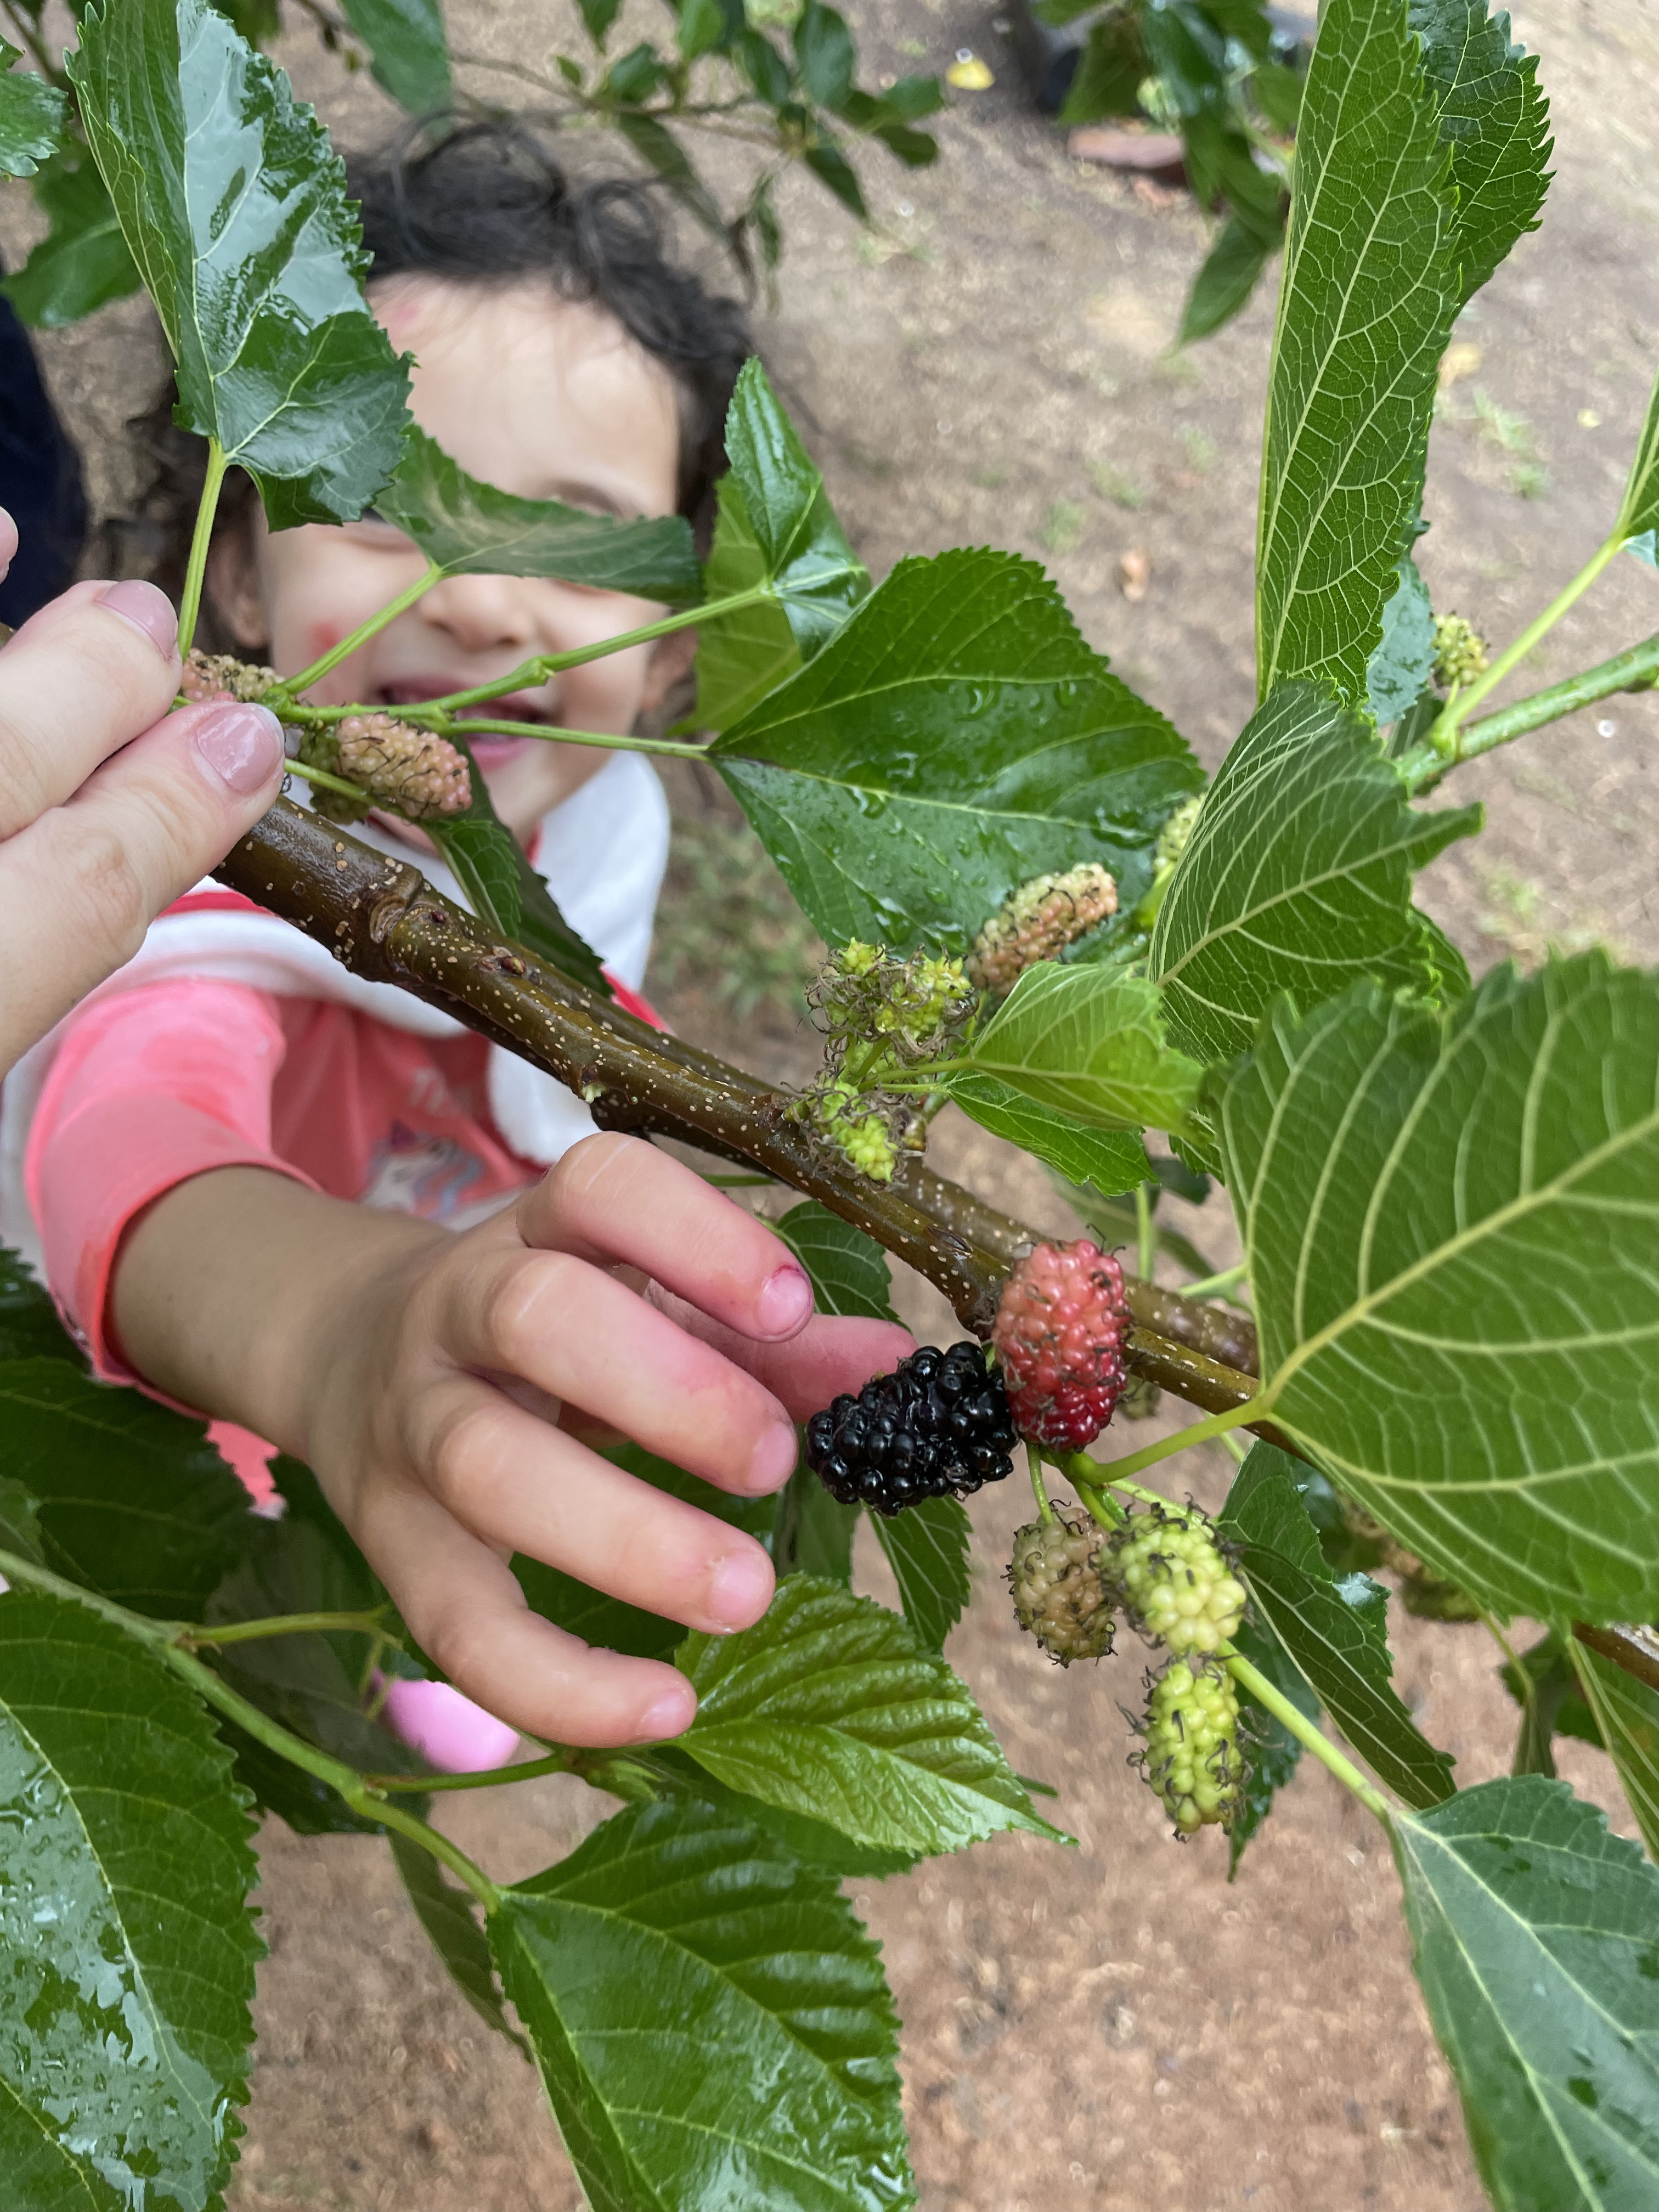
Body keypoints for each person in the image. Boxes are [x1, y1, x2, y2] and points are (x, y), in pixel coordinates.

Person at [4, 124, 911, 1757]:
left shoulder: (599, 831)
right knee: (253, 1494)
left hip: (467, 1268)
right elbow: (129, 1127)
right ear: (240, 580)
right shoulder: (197, 851)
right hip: (258, 1323)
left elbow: (580, 1052)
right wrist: (334, 1330)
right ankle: (289, 1516)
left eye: (580, 546)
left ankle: (422, 1537)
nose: (486, 604)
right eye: (381, 503)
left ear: (682, 649)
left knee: (472, 1414)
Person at [0, 512, 287, 1077]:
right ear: (243, 585)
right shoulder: (187, 976)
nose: (484, 609)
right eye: (379, 516)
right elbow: (158, 1094)